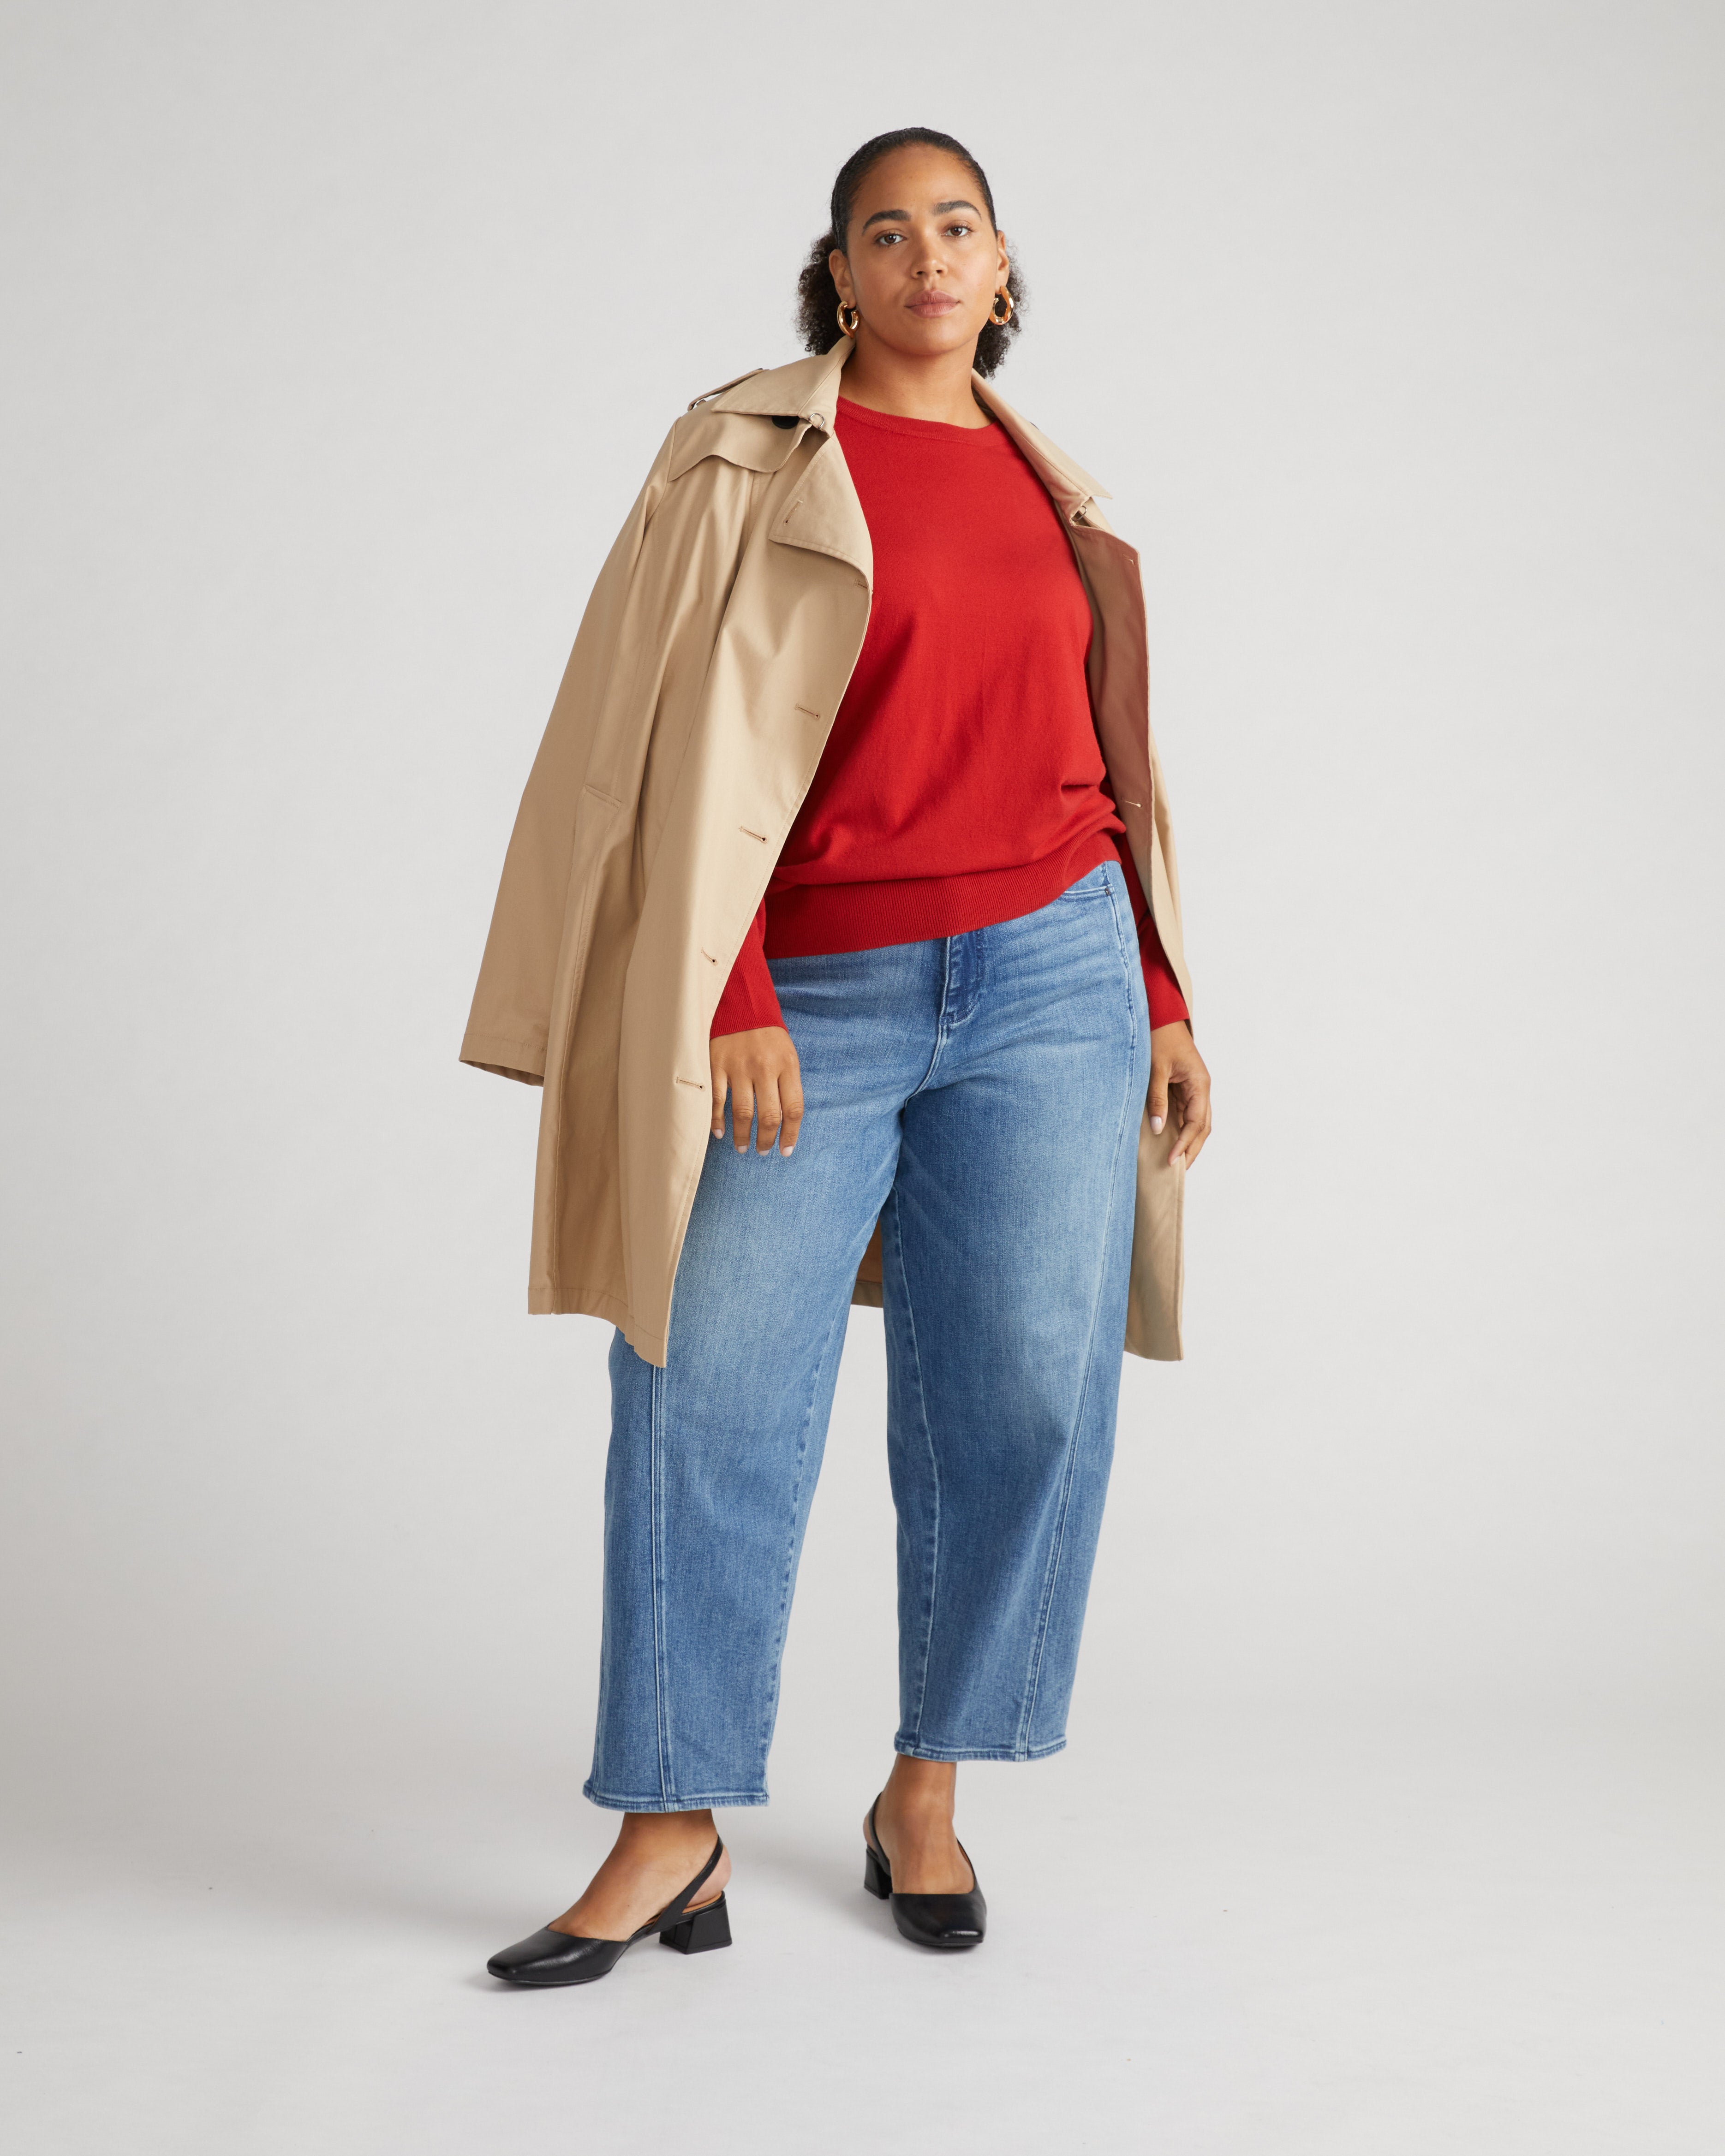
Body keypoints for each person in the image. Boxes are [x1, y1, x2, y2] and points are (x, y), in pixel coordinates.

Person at [462, 127, 1213, 1986]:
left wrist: (1161, 989)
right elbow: (644, 733)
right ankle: (670, 1819)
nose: (926, 256)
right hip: (809, 990)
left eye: (957, 225)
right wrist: (723, 985)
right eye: (887, 231)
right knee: (703, 1382)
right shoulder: (742, 456)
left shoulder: (1062, 502)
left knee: (1023, 1391)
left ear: (1001, 264)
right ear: (839, 272)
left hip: (1054, 981)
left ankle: (925, 1788)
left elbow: (1103, 771)